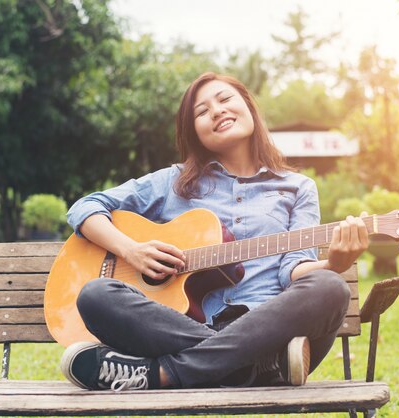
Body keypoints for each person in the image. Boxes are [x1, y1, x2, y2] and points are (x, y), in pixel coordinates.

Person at [62, 72, 368, 391]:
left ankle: (162, 374)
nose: (217, 111)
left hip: (270, 326)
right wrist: (131, 251)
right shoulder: (172, 182)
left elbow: (294, 269)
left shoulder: (297, 188)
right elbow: (86, 207)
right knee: (96, 295)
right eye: (202, 111)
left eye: (224, 100)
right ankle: (256, 365)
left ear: (248, 107)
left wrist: (334, 264)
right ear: (194, 132)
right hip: (187, 328)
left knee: (330, 287)